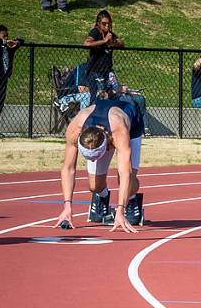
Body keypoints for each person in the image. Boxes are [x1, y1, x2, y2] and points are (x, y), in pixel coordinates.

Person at [55, 98, 144, 233]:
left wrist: (120, 210)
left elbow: (125, 172)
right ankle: (102, 195)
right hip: (102, 122)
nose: (91, 161)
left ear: (106, 145)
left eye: (95, 157)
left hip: (131, 123)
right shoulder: (75, 129)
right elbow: (68, 169)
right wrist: (67, 207)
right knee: (94, 185)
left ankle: (132, 198)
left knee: (127, 181)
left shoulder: (119, 133)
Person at [83, 10, 123, 99]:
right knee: (98, 96)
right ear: (98, 23)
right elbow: (86, 43)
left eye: (109, 24)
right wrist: (104, 41)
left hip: (107, 71)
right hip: (95, 71)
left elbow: (122, 43)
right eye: (104, 23)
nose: (107, 26)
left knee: (116, 92)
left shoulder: (110, 34)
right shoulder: (95, 31)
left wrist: (113, 43)